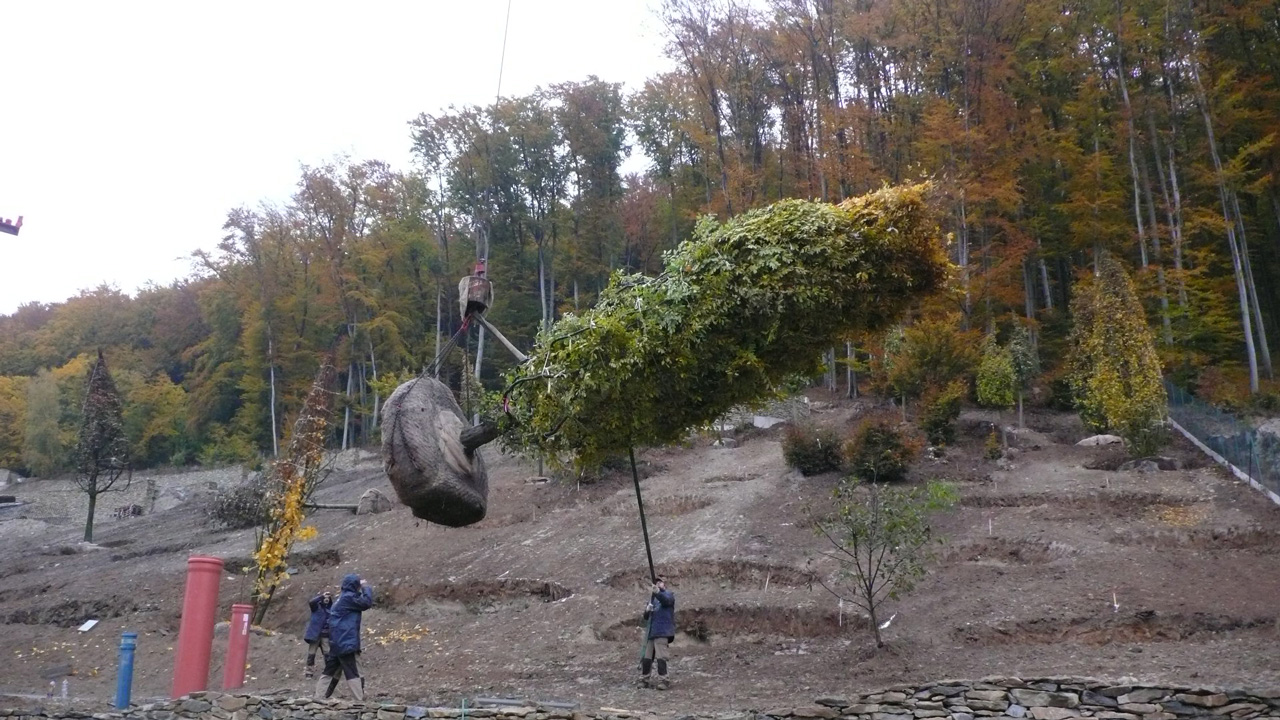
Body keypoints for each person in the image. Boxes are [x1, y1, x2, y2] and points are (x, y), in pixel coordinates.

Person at [315, 574, 374, 700]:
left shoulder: (342, 598)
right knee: (354, 672)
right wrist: (365, 587)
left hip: (337, 643)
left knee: (330, 672)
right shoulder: (348, 598)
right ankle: (360, 702)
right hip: (346, 642)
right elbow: (367, 603)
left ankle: (318, 699)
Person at [640, 576, 675, 690]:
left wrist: (658, 592)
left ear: (664, 584)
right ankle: (644, 679)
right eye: (656, 583)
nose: (657, 584)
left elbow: (666, 601)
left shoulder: (668, 595)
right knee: (647, 657)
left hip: (662, 631)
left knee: (661, 657)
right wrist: (647, 610)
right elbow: (645, 618)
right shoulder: (652, 600)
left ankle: (664, 680)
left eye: (660, 582)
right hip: (652, 632)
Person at [303, 589, 333, 679]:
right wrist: (321, 596)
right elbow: (311, 602)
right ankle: (309, 672)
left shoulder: (331, 609)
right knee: (311, 654)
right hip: (315, 635)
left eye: (328, 598)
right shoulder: (316, 607)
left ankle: (329, 671)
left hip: (325, 635)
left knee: (327, 653)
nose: (326, 599)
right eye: (325, 598)